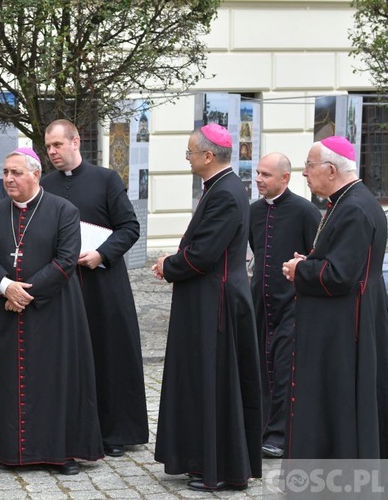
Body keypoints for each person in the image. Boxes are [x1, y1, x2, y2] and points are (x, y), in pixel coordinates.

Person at [0, 147, 103, 475]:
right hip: (6, 311)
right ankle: (10, 452)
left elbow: (65, 260)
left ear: (35, 175)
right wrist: (5, 287)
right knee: (9, 382)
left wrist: (25, 292)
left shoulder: (64, 211)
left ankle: (59, 452)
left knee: (54, 381)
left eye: (16, 173)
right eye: (5, 173)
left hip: (53, 312)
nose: (8, 179)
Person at [151, 124, 261, 492]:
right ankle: (202, 459)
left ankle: (219, 468)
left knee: (215, 384)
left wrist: (169, 265)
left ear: (208, 156)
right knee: (203, 381)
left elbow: (204, 254)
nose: (188, 158)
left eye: (189, 153)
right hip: (209, 297)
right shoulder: (221, 188)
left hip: (215, 302)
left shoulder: (226, 193)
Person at [40, 119, 148, 457]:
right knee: (68, 357)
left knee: (109, 354)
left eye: (57, 145)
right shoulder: (45, 184)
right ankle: (72, 427)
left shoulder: (105, 179)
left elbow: (130, 227)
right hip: (65, 286)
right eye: (48, 147)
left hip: (103, 283)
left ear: (75, 142)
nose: (52, 152)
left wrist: (101, 253)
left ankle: (115, 432)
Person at [282, 136, 388, 458]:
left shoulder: (354, 207)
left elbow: (339, 276)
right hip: (349, 318)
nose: (304, 173)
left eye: (309, 166)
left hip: (343, 328)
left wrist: (299, 270)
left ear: (330, 170)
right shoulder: (350, 201)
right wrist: (311, 261)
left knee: (336, 405)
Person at [249, 153, 321, 459]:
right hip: (260, 301)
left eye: (266, 174)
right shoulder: (252, 211)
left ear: (285, 178)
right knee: (259, 367)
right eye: (257, 173)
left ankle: (280, 436)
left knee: (283, 369)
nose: (258, 179)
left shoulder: (306, 211)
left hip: (292, 303)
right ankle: (261, 428)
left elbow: (315, 256)